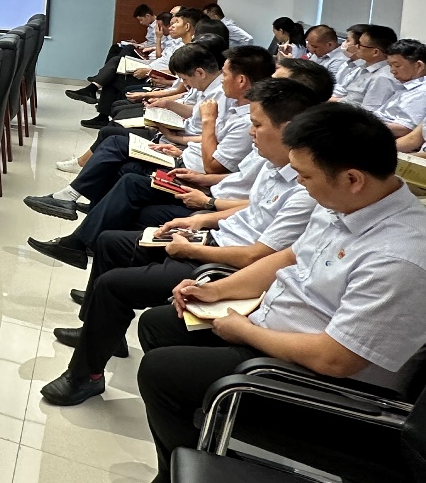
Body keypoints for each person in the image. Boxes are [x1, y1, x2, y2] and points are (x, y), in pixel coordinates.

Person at [136, 103, 426, 482]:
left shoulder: (400, 257)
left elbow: (336, 360)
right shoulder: (346, 202)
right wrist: (216, 291)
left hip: (322, 387)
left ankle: (190, 465)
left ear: (353, 178)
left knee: (161, 373)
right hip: (273, 331)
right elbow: (288, 257)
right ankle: (197, 442)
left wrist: (245, 332)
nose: (299, 183)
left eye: (305, 175)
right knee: (159, 324)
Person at [39, 78, 321, 407]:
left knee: (113, 284)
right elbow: (250, 209)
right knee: (110, 242)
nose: (250, 131)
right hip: (212, 239)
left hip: (219, 262)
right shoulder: (275, 166)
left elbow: (256, 256)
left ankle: (84, 377)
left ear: (287, 129)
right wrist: (198, 220)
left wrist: (191, 247)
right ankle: (102, 334)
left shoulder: (304, 189)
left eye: (257, 125)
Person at [25, 44, 268, 260]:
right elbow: (219, 154)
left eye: (226, 74)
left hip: (196, 179)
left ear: (241, 80)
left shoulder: (246, 119)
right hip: (187, 162)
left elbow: (214, 165)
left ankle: (76, 220)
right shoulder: (236, 106)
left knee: (122, 159)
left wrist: (200, 129)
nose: (222, 79)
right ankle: (84, 221)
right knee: (121, 159)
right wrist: (179, 142)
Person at [340, 23, 401, 111]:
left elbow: (368, 112)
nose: (356, 47)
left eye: (360, 45)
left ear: (375, 52)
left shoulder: (382, 78)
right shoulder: (362, 68)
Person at [375, 38, 426, 137]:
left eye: (397, 66)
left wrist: (366, 124)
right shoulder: (406, 87)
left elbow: (404, 129)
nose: (392, 71)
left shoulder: (422, 91)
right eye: (390, 66)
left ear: (419, 66)